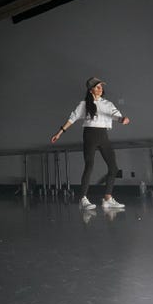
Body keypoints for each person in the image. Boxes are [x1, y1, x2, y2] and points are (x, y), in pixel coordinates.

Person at [50, 77, 130, 210]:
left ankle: (107, 198)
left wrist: (122, 119)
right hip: (90, 135)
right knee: (89, 165)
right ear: (91, 89)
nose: (100, 89)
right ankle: (83, 199)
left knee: (113, 168)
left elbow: (116, 116)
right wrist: (59, 132)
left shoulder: (108, 104)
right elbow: (72, 118)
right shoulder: (84, 104)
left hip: (103, 135)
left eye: (101, 87)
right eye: (97, 87)